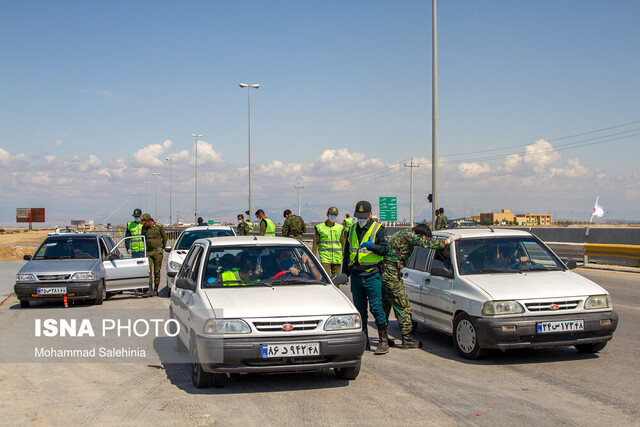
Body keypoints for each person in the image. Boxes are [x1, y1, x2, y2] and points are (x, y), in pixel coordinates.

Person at [382, 224, 458, 348]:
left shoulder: (401, 234)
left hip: (386, 273)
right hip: (391, 274)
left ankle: (383, 338)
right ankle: (407, 338)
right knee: (403, 306)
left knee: (385, 305)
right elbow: (422, 242)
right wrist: (446, 242)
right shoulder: (408, 235)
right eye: (426, 237)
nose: (425, 240)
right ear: (421, 235)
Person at [342, 201, 389, 354]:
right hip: (356, 274)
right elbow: (347, 252)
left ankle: (383, 341)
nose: (360, 219)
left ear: (370, 215)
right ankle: (365, 340)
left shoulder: (378, 229)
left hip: (371, 274)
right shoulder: (351, 230)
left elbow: (385, 250)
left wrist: (371, 246)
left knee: (376, 308)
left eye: (363, 216)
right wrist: (345, 273)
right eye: (358, 216)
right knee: (360, 310)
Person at [312, 206, 345, 277]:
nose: (333, 216)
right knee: (327, 279)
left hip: (337, 258)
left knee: (336, 281)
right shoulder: (320, 227)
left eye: (335, 215)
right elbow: (315, 243)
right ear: (327, 214)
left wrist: (344, 255)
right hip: (325, 258)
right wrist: (313, 256)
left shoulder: (339, 227)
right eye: (332, 214)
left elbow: (343, 242)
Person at [141, 213, 167, 297]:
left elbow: (165, 237)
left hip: (157, 251)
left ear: (149, 221)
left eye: (145, 222)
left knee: (157, 271)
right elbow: (143, 238)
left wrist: (162, 248)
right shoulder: (144, 228)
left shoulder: (159, 227)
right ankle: (150, 288)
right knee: (148, 270)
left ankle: (156, 289)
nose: (143, 224)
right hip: (149, 251)